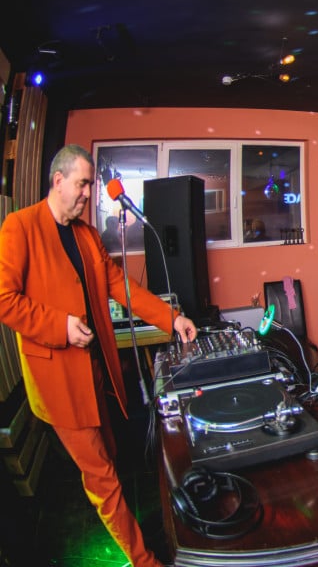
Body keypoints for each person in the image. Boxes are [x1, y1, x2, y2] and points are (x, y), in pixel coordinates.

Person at [0, 145, 198, 567]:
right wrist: (60, 326)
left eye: (90, 184)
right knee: (102, 477)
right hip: (60, 381)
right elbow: (4, 299)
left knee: (110, 457)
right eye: (83, 184)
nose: (89, 193)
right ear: (58, 181)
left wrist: (172, 318)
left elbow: (121, 286)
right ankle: (144, 561)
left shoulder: (87, 234)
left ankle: (134, 530)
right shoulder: (20, 226)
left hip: (97, 370)